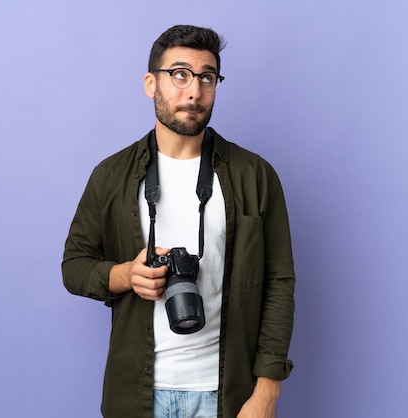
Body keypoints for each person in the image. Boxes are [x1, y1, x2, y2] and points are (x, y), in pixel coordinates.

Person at [62, 24, 295, 418]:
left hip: (230, 395)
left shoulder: (255, 175)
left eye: (207, 77)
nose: (194, 91)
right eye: (180, 74)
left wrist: (267, 392)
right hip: (136, 394)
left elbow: (279, 283)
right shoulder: (111, 175)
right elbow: (74, 267)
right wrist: (125, 275)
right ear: (151, 83)